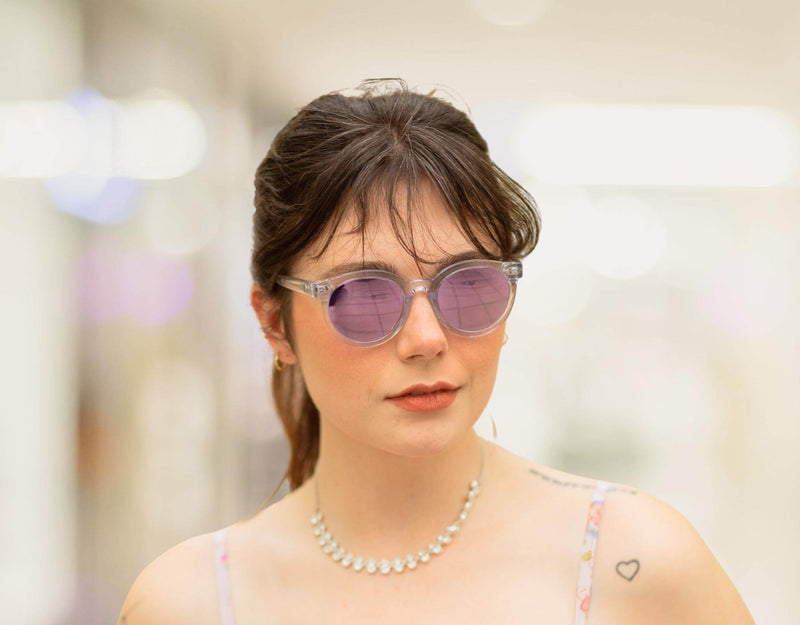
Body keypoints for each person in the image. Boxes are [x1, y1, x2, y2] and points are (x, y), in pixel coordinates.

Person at [118, 79, 754, 625]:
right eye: (364, 295)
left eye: (469, 286)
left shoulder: (634, 563)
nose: (426, 338)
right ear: (274, 323)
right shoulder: (192, 601)